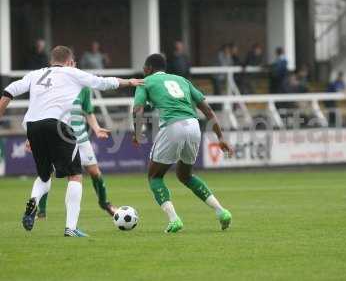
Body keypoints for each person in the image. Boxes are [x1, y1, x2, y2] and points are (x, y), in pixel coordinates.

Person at [0, 46, 143, 237]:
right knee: (75, 175)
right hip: (58, 125)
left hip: (33, 126)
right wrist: (130, 81)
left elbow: (8, 92)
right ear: (69, 61)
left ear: (52, 60)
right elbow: (104, 82)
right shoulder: (72, 73)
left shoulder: (35, 74)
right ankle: (71, 228)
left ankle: (33, 200)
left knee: (44, 175)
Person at [132, 54, 233, 233]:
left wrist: (138, 132)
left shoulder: (144, 82)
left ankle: (174, 220)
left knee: (155, 176)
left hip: (172, 125)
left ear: (148, 69)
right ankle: (221, 211)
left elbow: (138, 108)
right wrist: (221, 138)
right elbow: (208, 110)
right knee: (185, 175)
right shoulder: (182, 80)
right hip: (194, 126)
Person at [29, 87, 117, 219]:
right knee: (48, 172)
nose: (69, 64)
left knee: (95, 172)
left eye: (72, 63)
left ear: (75, 65)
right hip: (61, 138)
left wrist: (97, 128)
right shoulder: (56, 83)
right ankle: (41, 212)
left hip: (81, 139)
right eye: (67, 63)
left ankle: (105, 204)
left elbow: (88, 111)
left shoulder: (84, 87)